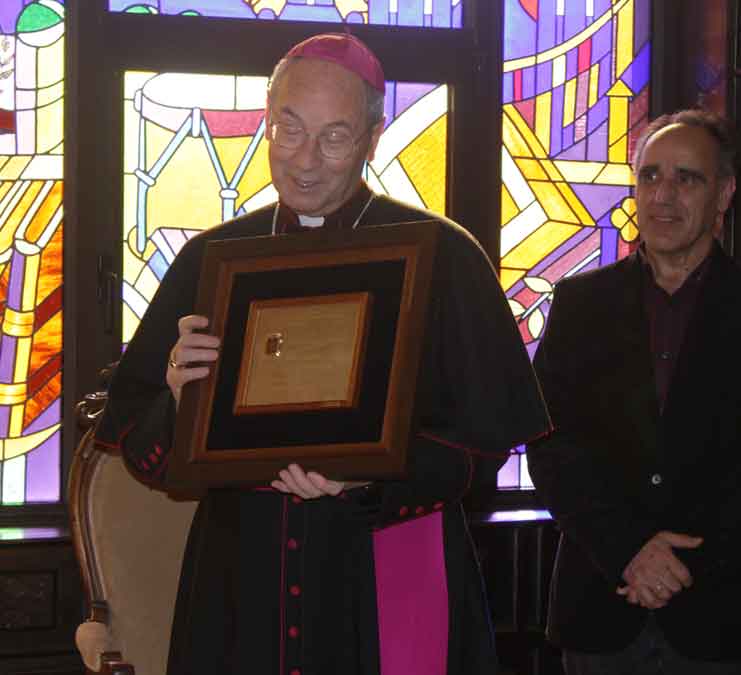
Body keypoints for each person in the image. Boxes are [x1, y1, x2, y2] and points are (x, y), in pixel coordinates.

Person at [95, 33, 549, 675]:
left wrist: (373, 477)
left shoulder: (443, 258)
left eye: (334, 137)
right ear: (267, 120)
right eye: (289, 129)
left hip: (379, 563)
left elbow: (481, 452)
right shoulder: (210, 261)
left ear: (372, 137)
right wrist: (178, 395)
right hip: (239, 585)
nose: (304, 159)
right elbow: (148, 456)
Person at [526, 109, 741, 674]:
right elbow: (550, 443)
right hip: (604, 602)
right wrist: (629, 553)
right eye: (650, 176)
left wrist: (678, 562)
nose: (664, 195)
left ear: (724, 193)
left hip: (727, 611)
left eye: (688, 178)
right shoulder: (580, 303)